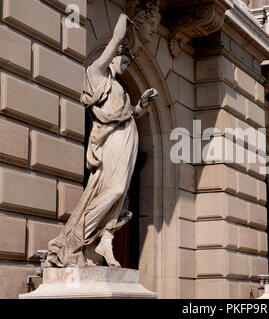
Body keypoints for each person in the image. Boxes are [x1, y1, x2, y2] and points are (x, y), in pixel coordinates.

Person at [45, 13, 158, 268]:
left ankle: (106, 238)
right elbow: (112, 44)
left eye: (129, 63)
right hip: (112, 142)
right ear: (113, 57)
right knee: (114, 189)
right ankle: (76, 238)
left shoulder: (119, 88)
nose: (126, 66)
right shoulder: (98, 74)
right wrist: (121, 28)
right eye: (123, 60)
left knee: (119, 194)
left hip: (127, 142)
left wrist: (142, 105)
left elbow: (130, 113)